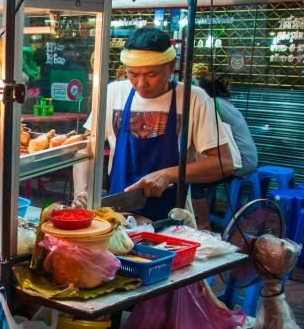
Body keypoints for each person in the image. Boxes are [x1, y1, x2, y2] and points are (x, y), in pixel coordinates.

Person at [73, 27, 235, 221]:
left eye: (151, 74)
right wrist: (81, 191)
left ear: (171, 65)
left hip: (170, 218)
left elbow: (224, 163)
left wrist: (168, 175)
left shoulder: (193, 99)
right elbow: (86, 148)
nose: (141, 83)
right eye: (132, 74)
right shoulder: (114, 93)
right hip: (118, 216)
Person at [190, 74, 259, 230]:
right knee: (203, 175)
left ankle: (203, 225)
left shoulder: (213, 105)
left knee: (193, 181)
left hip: (240, 161)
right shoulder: (225, 103)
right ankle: (202, 214)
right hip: (248, 158)